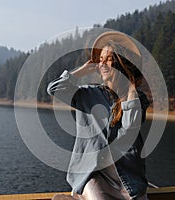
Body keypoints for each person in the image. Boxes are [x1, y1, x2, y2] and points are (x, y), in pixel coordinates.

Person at [47, 31, 149, 200]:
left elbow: (130, 127)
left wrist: (130, 86)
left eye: (109, 59)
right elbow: (54, 89)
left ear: (121, 63)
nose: (103, 64)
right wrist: (84, 69)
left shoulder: (138, 98)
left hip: (127, 178)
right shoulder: (88, 94)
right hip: (93, 175)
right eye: (100, 60)